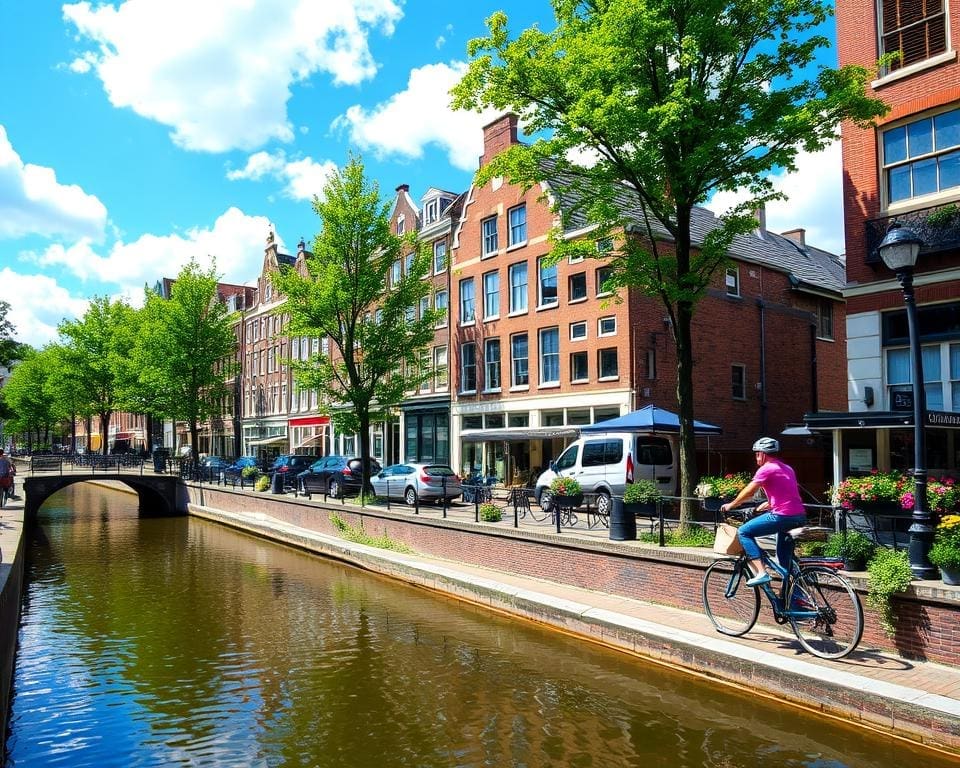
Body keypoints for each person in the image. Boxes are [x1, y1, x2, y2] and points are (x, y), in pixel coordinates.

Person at [719, 437, 806, 587]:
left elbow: (749, 492)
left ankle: (761, 572)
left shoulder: (766, 468)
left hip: (782, 516)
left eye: (756, 454)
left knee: (744, 532)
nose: (756, 457)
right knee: (785, 563)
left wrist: (731, 505)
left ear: (762, 454)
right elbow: (788, 492)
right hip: (798, 515)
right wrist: (770, 503)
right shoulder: (787, 468)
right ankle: (794, 602)